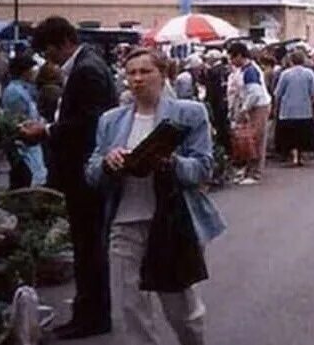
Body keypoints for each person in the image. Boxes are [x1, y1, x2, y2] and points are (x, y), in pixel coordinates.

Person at [86, 47, 225, 345]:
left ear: (163, 76)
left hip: (171, 223)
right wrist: (109, 163)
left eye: (145, 71)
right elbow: (92, 173)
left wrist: (171, 162)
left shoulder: (189, 113)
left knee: (182, 309)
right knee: (129, 308)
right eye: (131, 72)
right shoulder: (111, 120)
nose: (137, 79)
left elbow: (202, 168)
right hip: (124, 222)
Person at [20, 16, 117, 339]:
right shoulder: (88, 64)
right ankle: (90, 312)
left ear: (62, 42)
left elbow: (90, 125)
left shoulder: (87, 69)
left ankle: (91, 316)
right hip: (83, 171)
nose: (50, 61)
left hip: (84, 173)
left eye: (49, 53)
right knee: (88, 246)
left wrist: (46, 130)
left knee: (89, 247)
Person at [227, 42, 272, 184]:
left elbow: (254, 93)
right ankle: (249, 170)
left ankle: (255, 172)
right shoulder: (245, 70)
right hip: (253, 106)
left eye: (232, 58)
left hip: (258, 106)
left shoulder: (250, 71)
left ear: (240, 56)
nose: (231, 61)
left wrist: (244, 109)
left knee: (255, 139)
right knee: (248, 139)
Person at [1, 55, 48, 188]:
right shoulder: (15, 92)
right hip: (24, 147)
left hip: (31, 144)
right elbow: (18, 120)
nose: (35, 73)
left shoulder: (23, 89)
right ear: (25, 71)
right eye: (33, 70)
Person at [273, 50, 314, 166]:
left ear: (291, 60)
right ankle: (300, 155)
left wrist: (275, 107)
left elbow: (278, 93)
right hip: (304, 109)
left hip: (288, 110)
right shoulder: (309, 73)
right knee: (302, 133)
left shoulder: (285, 74)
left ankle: (294, 156)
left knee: (290, 134)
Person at [203, 50, 231, 158]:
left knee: (220, 127)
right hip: (225, 101)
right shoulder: (226, 69)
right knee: (225, 127)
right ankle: (228, 150)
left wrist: (208, 101)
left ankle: (223, 152)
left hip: (217, 103)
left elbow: (211, 91)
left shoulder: (213, 71)